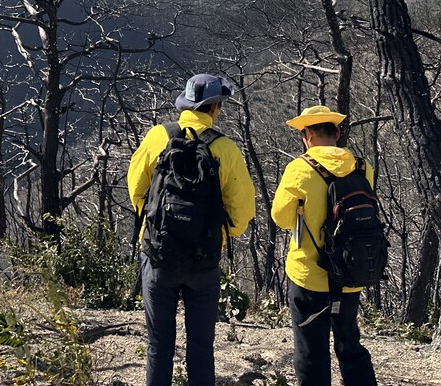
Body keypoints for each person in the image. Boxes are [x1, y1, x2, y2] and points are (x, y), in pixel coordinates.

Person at [128, 74, 256, 386]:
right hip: (203, 260)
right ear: (215, 108)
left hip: (159, 256)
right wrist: (221, 236)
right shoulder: (224, 149)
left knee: (159, 345)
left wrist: (157, 224)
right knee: (201, 348)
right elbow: (242, 210)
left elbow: (136, 190)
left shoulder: (158, 137)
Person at [271, 105, 378, 386]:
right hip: (351, 273)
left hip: (309, 276)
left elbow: (280, 217)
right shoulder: (363, 168)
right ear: (337, 133)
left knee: (311, 352)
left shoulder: (299, 169)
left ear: (307, 135)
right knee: (350, 345)